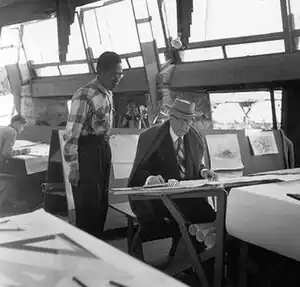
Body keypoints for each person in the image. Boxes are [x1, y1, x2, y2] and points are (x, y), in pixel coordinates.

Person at [63, 51, 124, 237]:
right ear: (100, 72)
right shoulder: (84, 94)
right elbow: (72, 133)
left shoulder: (108, 93)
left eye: (120, 75)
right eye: (114, 75)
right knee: (87, 205)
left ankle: (97, 244)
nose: (117, 79)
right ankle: (85, 250)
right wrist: (73, 167)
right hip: (87, 151)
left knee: (101, 203)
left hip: (103, 148)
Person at [128, 98, 216, 225]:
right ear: (172, 118)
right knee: (196, 215)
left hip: (189, 196)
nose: (187, 126)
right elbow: (139, 171)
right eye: (183, 121)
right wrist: (150, 178)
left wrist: (203, 171)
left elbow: (196, 164)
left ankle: (208, 241)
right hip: (162, 199)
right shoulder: (152, 137)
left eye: (190, 121)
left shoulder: (193, 137)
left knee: (212, 216)